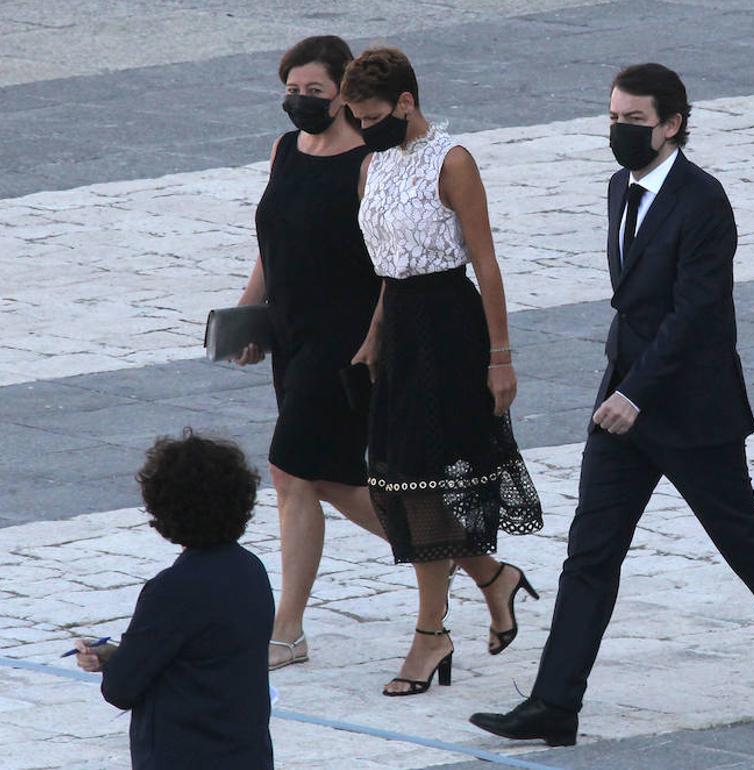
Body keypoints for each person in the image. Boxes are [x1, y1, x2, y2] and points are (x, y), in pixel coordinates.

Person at [469, 63, 754, 746]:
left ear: (672, 124)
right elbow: (635, 304)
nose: (620, 132)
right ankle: (556, 702)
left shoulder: (703, 201)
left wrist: (635, 393)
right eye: (613, 119)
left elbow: (697, 313)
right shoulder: (621, 186)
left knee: (744, 541)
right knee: (590, 552)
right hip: (621, 404)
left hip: (688, 409)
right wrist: (619, 388)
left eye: (634, 122)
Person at [341, 47, 544, 696]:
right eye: (355, 116)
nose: (363, 127)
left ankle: (431, 634)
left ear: (405, 103)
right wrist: (374, 335)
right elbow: (384, 265)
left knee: (431, 480)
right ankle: (492, 578)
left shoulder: (452, 160)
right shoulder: (371, 164)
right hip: (399, 328)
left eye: (371, 115)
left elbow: (485, 264)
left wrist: (501, 355)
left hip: (449, 327)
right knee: (401, 480)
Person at [235, 35, 387, 671]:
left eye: (314, 92)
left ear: (344, 93)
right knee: (324, 479)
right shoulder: (284, 151)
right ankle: (473, 560)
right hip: (291, 336)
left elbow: (391, 263)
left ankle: (287, 629)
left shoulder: (369, 163)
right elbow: (270, 242)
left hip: (343, 339)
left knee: (290, 470)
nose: (300, 102)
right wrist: (247, 315)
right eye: (292, 91)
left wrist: (376, 340)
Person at [74, 430, 274, 769]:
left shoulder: (171, 589)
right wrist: (116, 656)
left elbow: (121, 688)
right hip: (246, 753)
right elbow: (207, 652)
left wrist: (118, 663)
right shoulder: (251, 570)